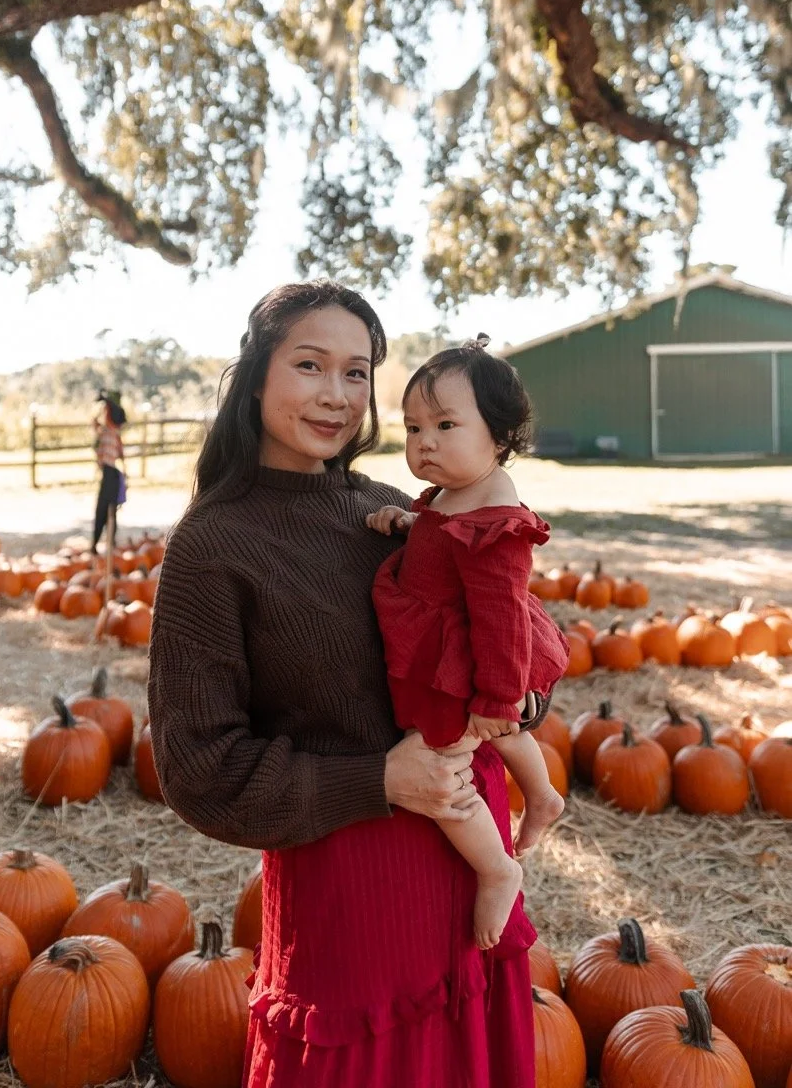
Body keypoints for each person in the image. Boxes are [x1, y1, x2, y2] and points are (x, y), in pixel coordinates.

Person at [147, 281, 551, 1088]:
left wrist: (520, 703)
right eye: (309, 365)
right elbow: (201, 772)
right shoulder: (213, 546)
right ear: (257, 374)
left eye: (357, 371)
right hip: (350, 915)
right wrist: (378, 778)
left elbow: (518, 638)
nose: (336, 395)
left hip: (468, 882)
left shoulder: (402, 509)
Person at [366, 335, 570, 951]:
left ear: (499, 436)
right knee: (508, 737)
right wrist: (407, 522)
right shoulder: (457, 493)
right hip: (450, 647)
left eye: (446, 424)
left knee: (438, 769)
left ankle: (495, 867)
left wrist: (497, 697)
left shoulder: (496, 524)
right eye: (413, 428)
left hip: (464, 664)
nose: (424, 441)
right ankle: (541, 793)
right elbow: (438, 533)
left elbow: (501, 618)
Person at [91, 390, 126, 554]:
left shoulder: (108, 433)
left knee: (103, 509)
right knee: (110, 510)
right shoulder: (114, 434)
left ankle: (99, 544)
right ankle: (109, 543)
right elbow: (121, 455)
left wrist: (100, 408)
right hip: (112, 474)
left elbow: (93, 423)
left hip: (109, 474)